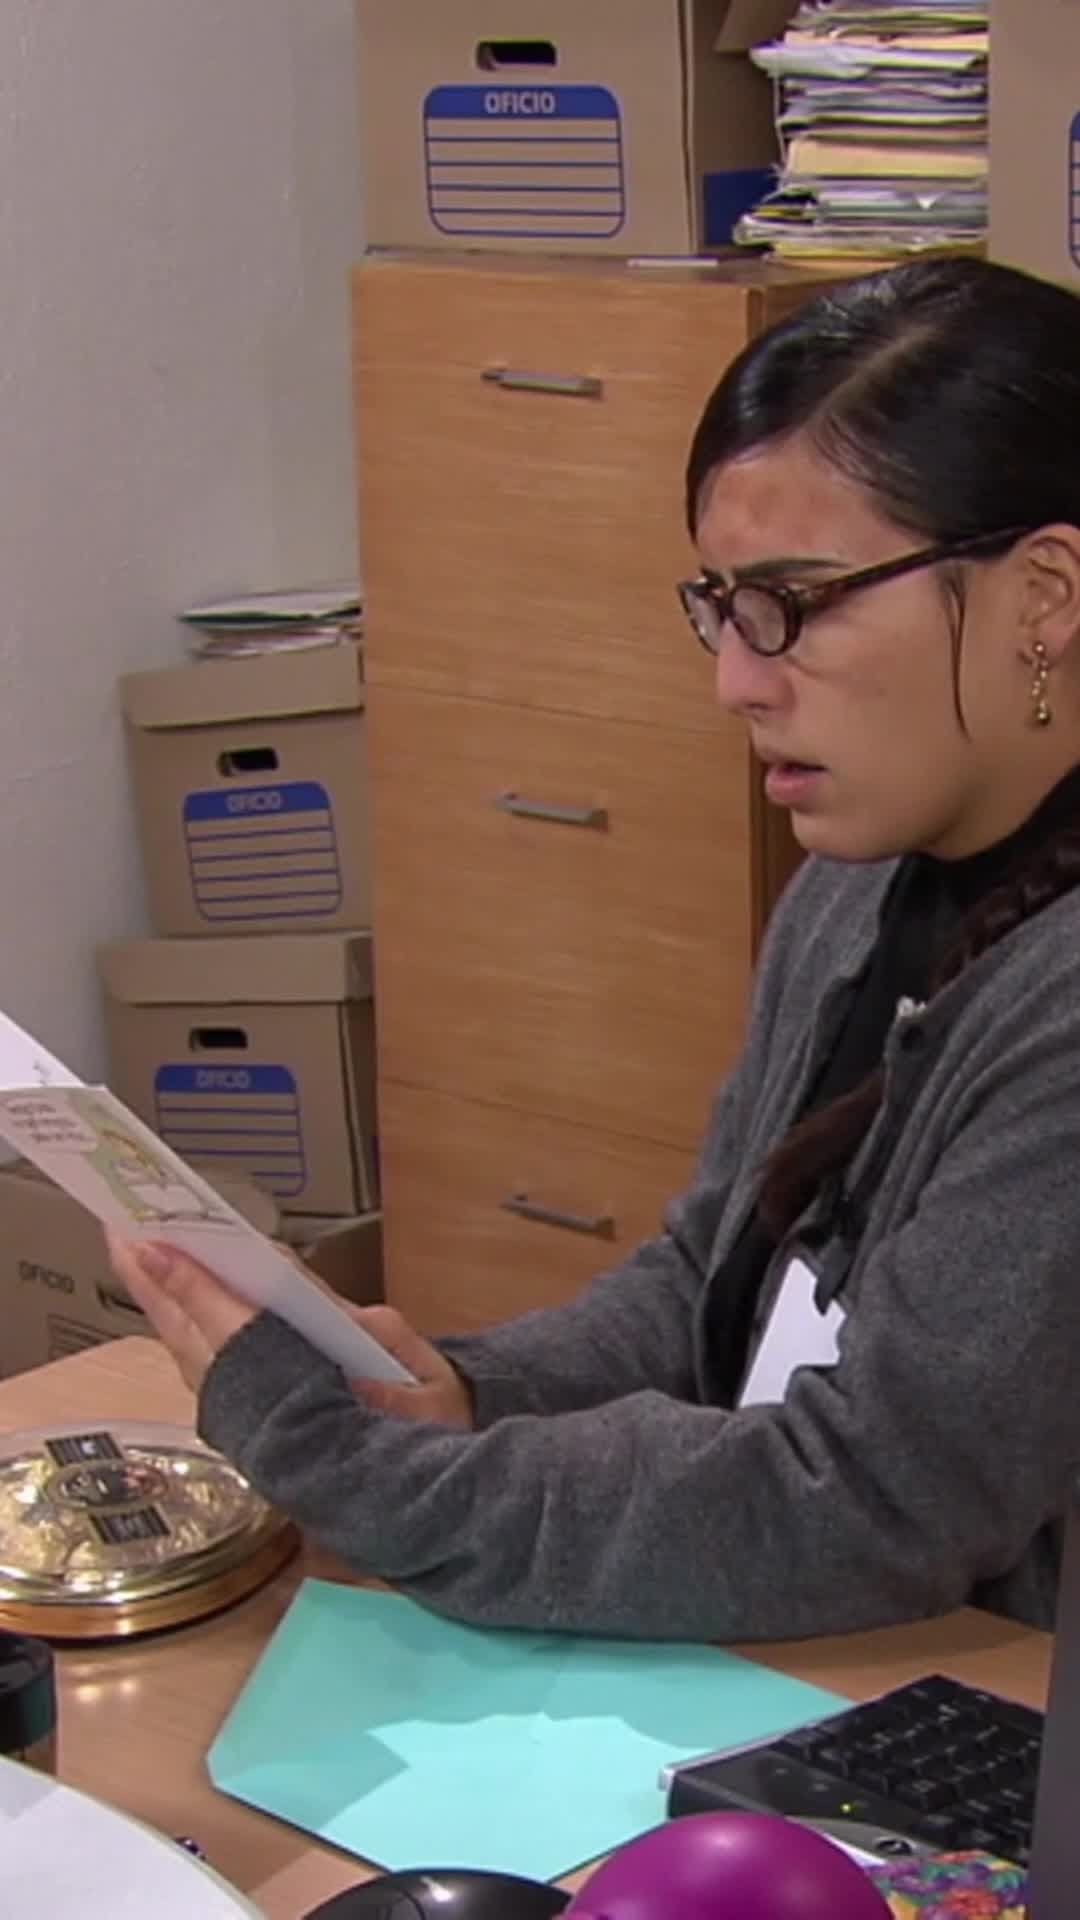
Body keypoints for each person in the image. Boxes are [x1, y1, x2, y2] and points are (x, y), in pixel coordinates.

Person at [108, 254, 1080, 1644]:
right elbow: (708, 1281)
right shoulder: (856, 883)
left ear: (1045, 593)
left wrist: (360, 1470)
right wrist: (465, 1391)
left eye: (796, 603)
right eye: (722, 606)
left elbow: (869, 1497)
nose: (736, 679)